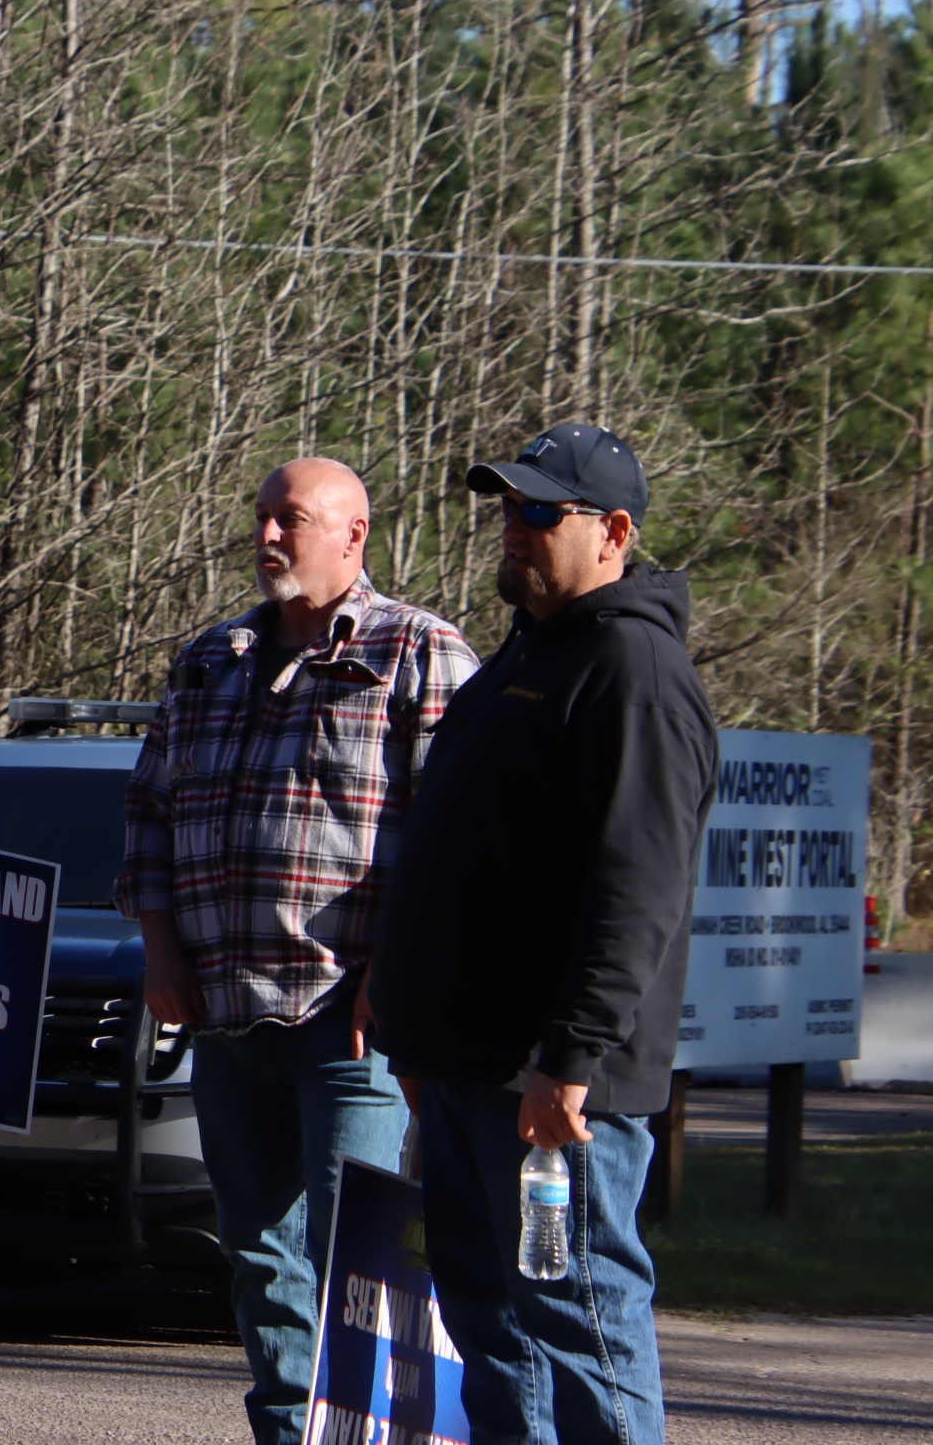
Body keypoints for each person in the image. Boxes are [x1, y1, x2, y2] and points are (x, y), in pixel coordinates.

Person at [117, 459, 479, 1445]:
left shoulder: (419, 652)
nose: (270, 536)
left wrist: (396, 978)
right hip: (228, 1020)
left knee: (367, 1264)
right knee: (262, 1258)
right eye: (264, 517)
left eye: (295, 519)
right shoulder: (208, 659)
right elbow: (148, 812)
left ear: (355, 534)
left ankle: (381, 1437)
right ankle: (288, 1434)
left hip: (353, 1028)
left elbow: (462, 837)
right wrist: (162, 953)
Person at [371, 424, 716, 1445]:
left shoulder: (631, 667)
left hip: (554, 1089)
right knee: (488, 1318)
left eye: (536, 511)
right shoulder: (531, 656)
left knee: (581, 1319)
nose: (511, 531)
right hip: (470, 1072)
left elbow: (637, 887)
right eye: (505, 509)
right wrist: (419, 1037)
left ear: (613, 531)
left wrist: (569, 1059)